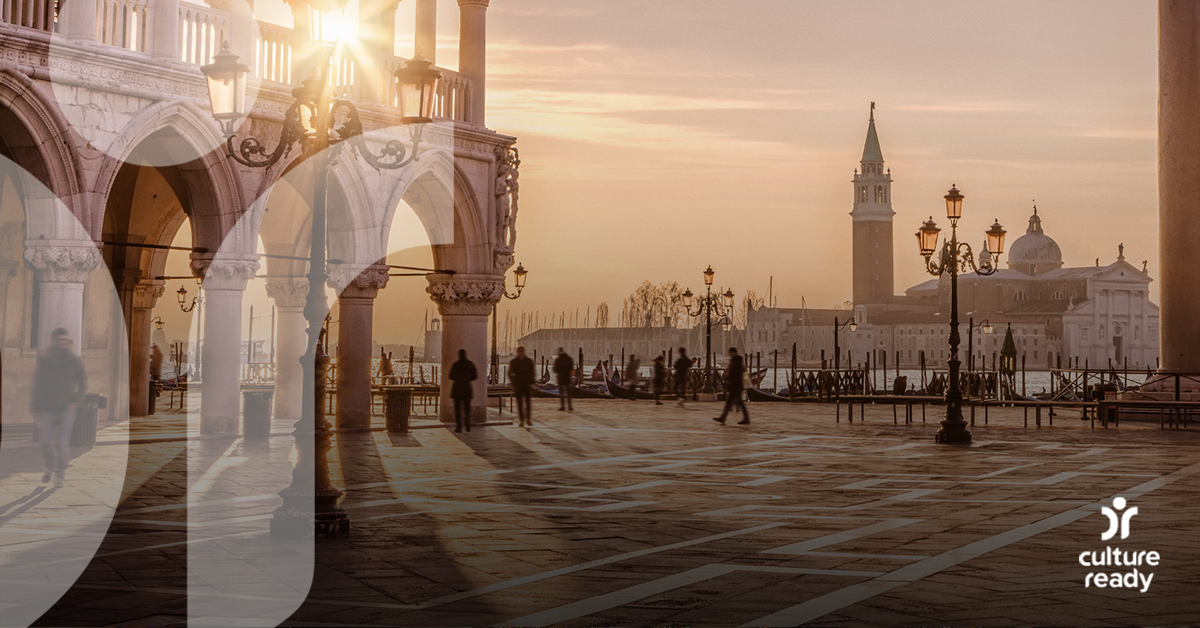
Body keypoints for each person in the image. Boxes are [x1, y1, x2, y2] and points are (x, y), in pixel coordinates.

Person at [32, 328, 87, 487]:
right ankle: (51, 464)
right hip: (47, 407)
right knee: (44, 442)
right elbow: (37, 384)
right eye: (59, 339)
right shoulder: (46, 360)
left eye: (64, 339)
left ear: (67, 341)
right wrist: (35, 407)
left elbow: (83, 382)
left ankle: (59, 474)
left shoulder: (74, 360)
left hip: (67, 408)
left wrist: (76, 401)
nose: (62, 342)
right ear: (54, 341)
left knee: (62, 443)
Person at [714, 347, 749, 425]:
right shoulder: (738, 361)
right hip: (736, 384)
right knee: (731, 402)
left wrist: (728, 377)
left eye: (730, 352)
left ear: (733, 352)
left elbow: (734, 373)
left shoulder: (735, 362)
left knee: (736, 402)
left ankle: (745, 418)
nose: (729, 354)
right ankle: (723, 418)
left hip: (735, 384)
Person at [449, 349, 477, 433]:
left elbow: (451, 376)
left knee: (457, 409)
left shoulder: (456, 365)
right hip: (467, 389)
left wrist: (458, 377)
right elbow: (475, 376)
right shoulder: (470, 364)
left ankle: (459, 426)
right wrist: (467, 378)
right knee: (467, 408)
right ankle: (467, 424)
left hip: (457, 389)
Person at [509, 346, 535, 427]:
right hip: (518, 385)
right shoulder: (513, 362)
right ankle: (521, 420)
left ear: (523, 352)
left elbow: (532, 372)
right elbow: (510, 373)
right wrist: (513, 383)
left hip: (527, 384)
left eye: (521, 352)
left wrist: (532, 382)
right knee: (519, 404)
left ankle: (528, 419)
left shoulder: (529, 361)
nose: (520, 353)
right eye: (519, 352)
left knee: (528, 403)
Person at [553, 347, 574, 411]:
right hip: (567, 377)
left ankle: (563, 406)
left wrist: (559, 371)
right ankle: (570, 406)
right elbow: (571, 368)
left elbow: (555, 370)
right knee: (568, 393)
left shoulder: (558, 359)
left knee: (561, 393)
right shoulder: (569, 359)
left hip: (561, 378)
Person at [149, 343, 163, 414]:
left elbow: (155, 363)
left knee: (155, 383)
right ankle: (156, 393)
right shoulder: (156, 354)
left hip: (155, 372)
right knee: (155, 383)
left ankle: (157, 393)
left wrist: (150, 367)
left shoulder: (158, 354)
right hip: (154, 372)